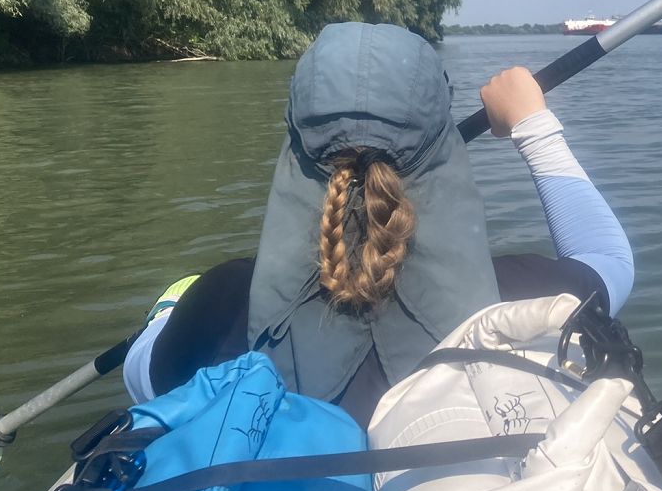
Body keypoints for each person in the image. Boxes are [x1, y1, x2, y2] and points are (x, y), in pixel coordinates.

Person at [122, 22, 632, 425]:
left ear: (295, 149)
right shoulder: (517, 302)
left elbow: (141, 373)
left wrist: (174, 302)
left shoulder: (228, 301)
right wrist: (531, 123)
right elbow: (610, 260)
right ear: (442, 152)